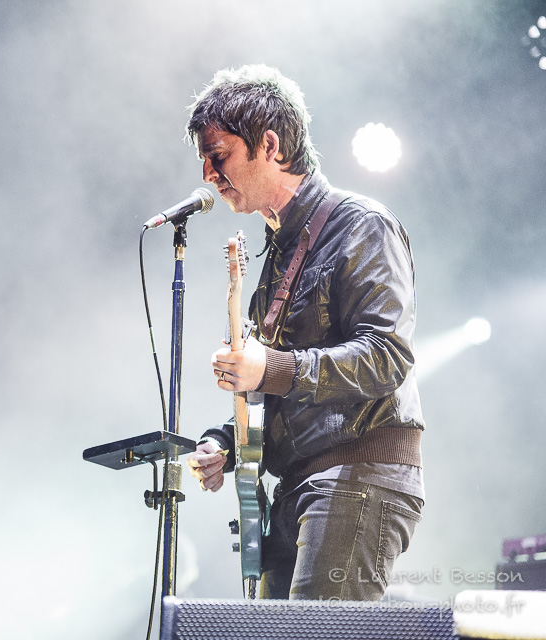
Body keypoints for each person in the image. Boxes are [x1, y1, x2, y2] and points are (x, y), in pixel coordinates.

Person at [183, 65, 424, 601]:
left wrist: (268, 367)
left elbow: (386, 356)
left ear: (269, 145)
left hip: (358, 474)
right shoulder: (277, 258)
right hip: (296, 486)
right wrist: (226, 442)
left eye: (218, 155)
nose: (207, 174)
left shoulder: (361, 225)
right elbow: (283, 391)